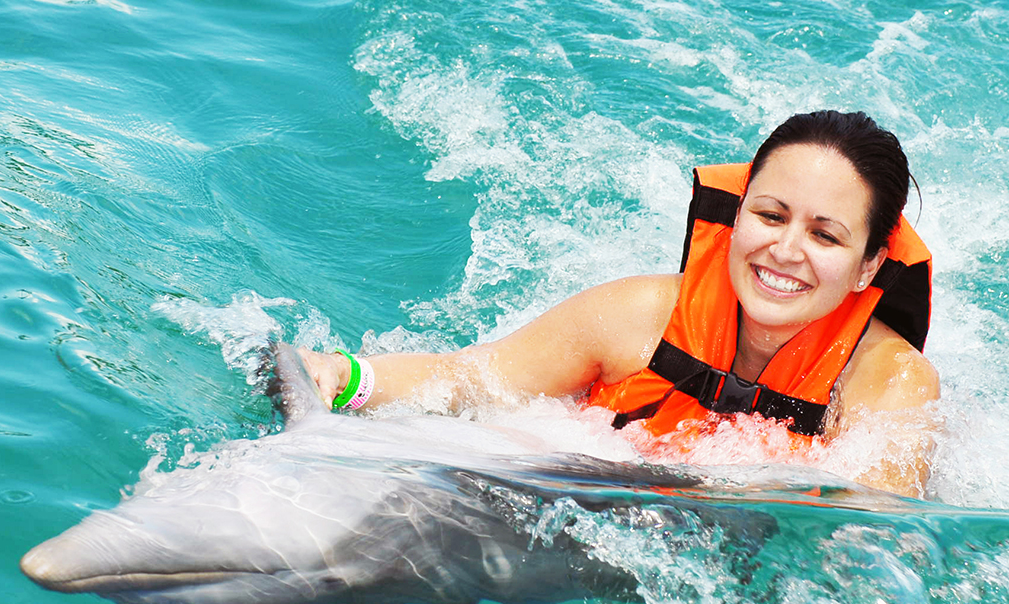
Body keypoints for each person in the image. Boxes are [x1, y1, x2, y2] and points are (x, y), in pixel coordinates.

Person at [299, 111, 940, 498]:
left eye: (825, 236)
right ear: (738, 215)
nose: (785, 250)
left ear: (868, 266)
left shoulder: (890, 384)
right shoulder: (637, 316)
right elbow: (474, 379)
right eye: (770, 216)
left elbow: (867, 524)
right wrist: (347, 376)